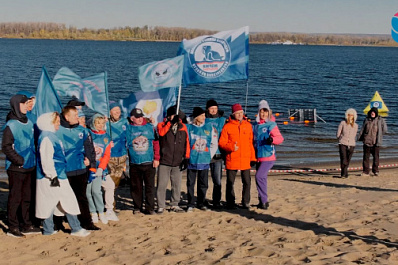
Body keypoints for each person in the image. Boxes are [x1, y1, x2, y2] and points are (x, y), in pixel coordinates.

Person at [36, 112, 91, 237]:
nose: (58, 124)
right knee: (62, 200)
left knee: (53, 201)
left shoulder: (50, 136)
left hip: (57, 174)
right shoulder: (46, 137)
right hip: (53, 176)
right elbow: (46, 159)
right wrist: (52, 175)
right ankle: (75, 228)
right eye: (56, 122)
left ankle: (49, 229)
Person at [56, 106, 100, 231]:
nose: (78, 118)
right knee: (61, 198)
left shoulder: (83, 131)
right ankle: (58, 223)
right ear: (66, 117)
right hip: (64, 171)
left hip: (80, 169)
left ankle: (86, 223)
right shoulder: (57, 130)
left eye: (78, 115)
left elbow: (90, 150)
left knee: (81, 197)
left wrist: (91, 165)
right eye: (75, 115)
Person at [2, 94, 40, 237]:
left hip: (30, 165)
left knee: (27, 197)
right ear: (16, 105)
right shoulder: (10, 125)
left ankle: (26, 224)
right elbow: (6, 147)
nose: (26, 106)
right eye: (23, 104)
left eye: (27, 104)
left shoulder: (29, 122)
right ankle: (12, 227)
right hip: (16, 168)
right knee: (15, 197)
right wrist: (19, 160)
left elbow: (34, 141)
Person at [219, 103, 256, 209]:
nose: (239, 115)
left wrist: (253, 158)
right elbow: (222, 143)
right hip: (232, 158)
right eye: (237, 113)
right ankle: (230, 203)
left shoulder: (248, 125)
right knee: (230, 182)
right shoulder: (227, 126)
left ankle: (246, 202)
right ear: (233, 114)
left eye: (241, 113)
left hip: (245, 158)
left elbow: (250, 143)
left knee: (247, 182)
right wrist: (230, 147)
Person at [156, 105, 190, 213]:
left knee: (176, 184)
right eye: (172, 115)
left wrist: (186, 157)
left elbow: (187, 143)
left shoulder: (183, 127)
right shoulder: (161, 125)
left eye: (176, 115)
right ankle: (161, 205)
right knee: (162, 184)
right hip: (165, 160)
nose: (174, 116)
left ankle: (174, 204)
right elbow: (161, 133)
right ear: (168, 116)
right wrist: (170, 124)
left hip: (177, 161)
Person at [127, 108, 160, 215]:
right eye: (137, 117)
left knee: (150, 186)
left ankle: (150, 208)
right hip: (134, 163)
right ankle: (137, 207)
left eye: (141, 116)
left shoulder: (150, 127)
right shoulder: (128, 128)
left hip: (149, 162)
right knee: (136, 187)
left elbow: (156, 143)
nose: (140, 119)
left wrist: (156, 158)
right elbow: (124, 143)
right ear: (132, 118)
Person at [253, 100, 284, 209]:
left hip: (268, 156)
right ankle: (261, 200)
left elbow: (280, 138)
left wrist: (272, 139)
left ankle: (265, 201)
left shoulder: (271, 124)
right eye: (261, 111)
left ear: (269, 112)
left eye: (265, 111)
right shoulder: (255, 126)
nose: (263, 114)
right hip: (258, 157)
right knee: (261, 179)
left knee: (259, 176)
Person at [186, 107, 217, 212]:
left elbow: (214, 143)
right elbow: (186, 143)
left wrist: (209, 156)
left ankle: (201, 202)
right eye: (202, 115)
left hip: (204, 160)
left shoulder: (209, 127)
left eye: (204, 115)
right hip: (192, 160)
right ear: (196, 117)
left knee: (203, 183)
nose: (204, 117)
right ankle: (190, 203)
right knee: (191, 183)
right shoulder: (189, 128)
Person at [87, 113, 115, 224]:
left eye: (102, 123)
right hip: (89, 168)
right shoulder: (88, 134)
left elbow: (106, 155)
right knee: (88, 192)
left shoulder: (106, 137)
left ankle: (103, 211)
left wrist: (101, 168)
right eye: (98, 123)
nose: (100, 125)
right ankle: (93, 212)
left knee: (98, 191)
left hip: (100, 168)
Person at [205, 99, 226, 209]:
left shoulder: (222, 120)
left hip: (217, 155)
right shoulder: (203, 119)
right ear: (207, 109)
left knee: (217, 180)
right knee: (203, 179)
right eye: (211, 108)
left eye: (215, 108)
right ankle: (202, 199)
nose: (213, 110)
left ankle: (216, 201)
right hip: (205, 154)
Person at [358, 107, 387, 176]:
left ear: (376, 113)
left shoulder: (380, 120)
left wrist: (379, 135)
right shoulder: (366, 120)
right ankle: (365, 171)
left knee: (376, 158)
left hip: (376, 142)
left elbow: (385, 129)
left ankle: (375, 171)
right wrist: (360, 137)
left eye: (374, 112)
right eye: (371, 112)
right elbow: (362, 129)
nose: (372, 113)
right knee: (366, 157)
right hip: (367, 141)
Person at [108, 102, 128, 189]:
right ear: (109, 112)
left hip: (122, 155)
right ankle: (109, 199)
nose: (117, 112)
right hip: (109, 156)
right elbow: (93, 125)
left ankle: (111, 197)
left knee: (117, 178)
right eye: (114, 110)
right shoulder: (105, 123)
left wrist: (149, 120)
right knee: (109, 178)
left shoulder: (125, 122)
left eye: (118, 110)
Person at [336, 108, 358, 178]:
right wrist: (340, 138)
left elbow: (354, 135)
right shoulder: (343, 123)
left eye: (352, 115)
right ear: (347, 115)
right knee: (343, 159)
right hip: (343, 143)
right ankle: (344, 174)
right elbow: (338, 133)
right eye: (349, 115)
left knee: (348, 160)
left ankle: (345, 172)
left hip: (351, 144)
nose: (350, 116)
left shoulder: (356, 125)